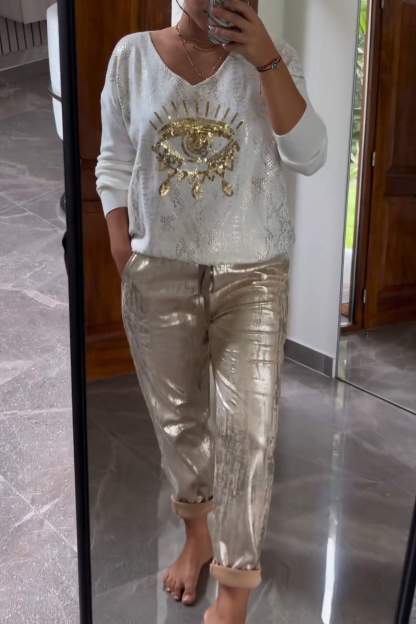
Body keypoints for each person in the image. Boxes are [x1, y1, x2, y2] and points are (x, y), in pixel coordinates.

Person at [95, 1, 327, 622]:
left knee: (249, 429)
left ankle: (234, 591)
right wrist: (122, 245)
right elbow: (114, 160)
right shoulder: (131, 58)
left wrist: (267, 60)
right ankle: (197, 536)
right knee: (179, 423)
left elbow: (310, 156)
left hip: (253, 272)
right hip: (157, 270)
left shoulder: (274, 60)